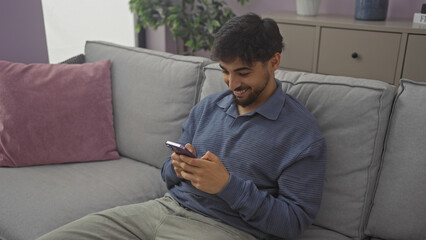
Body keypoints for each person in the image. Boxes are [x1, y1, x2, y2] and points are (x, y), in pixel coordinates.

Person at [37, 13, 326, 240]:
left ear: (273, 62)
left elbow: (293, 222)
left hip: (222, 230)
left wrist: (227, 186)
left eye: (243, 72)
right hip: (160, 210)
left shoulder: (301, 134)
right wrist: (176, 167)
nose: (232, 83)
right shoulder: (208, 108)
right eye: (225, 72)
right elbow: (168, 173)